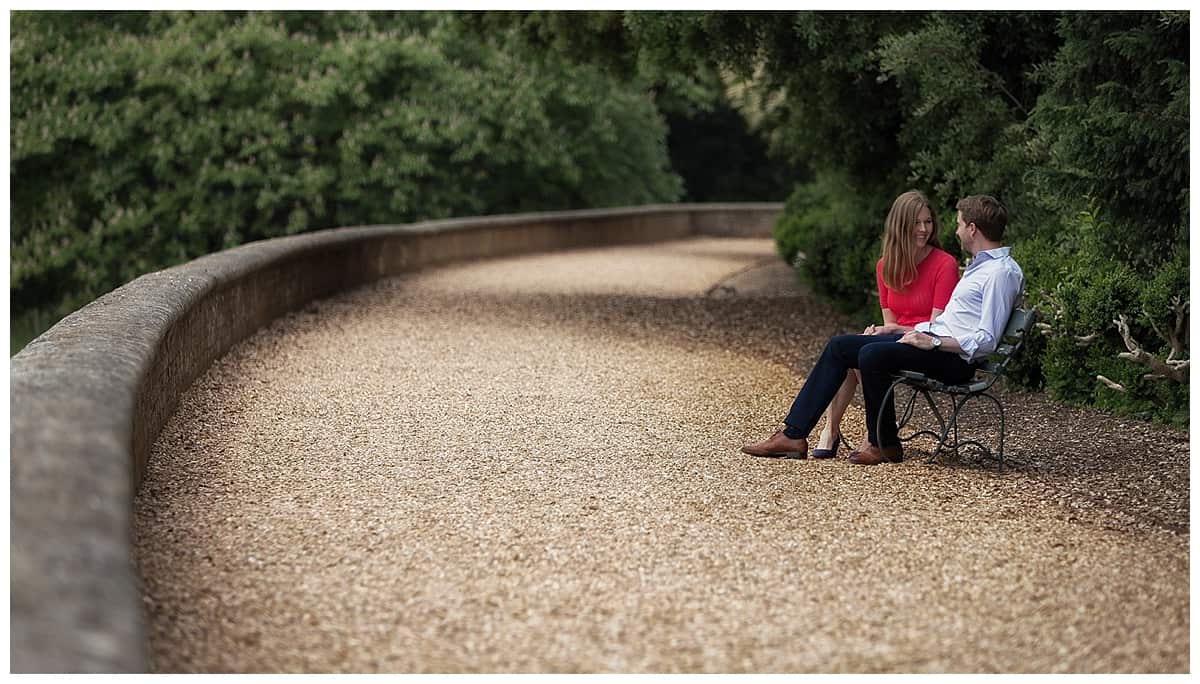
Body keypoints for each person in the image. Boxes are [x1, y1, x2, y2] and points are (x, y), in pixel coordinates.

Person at [742, 194, 1023, 466]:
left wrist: (933, 343)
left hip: (954, 360)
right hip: (936, 344)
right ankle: (793, 435)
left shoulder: (1001, 273)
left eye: (960, 224)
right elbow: (953, 322)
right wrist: (899, 330)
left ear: (973, 229)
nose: (957, 230)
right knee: (840, 346)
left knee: (873, 356)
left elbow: (987, 339)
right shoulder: (980, 268)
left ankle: (883, 442)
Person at [810, 190, 958, 458]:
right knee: (854, 348)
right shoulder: (885, 267)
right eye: (917, 222)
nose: (924, 229)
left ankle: (866, 435)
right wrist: (880, 332)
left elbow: (938, 326)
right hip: (897, 340)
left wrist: (888, 332)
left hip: (926, 344)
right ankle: (836, 430)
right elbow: (891, 322)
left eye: (928, 222)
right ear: (901, 226)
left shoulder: (944, 264)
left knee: (857, 351)